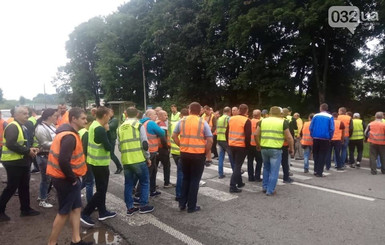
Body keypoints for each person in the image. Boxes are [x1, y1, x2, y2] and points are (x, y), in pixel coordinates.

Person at [46, 107, 92, 245]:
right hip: (66, 179)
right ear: (73, 119)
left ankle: (76, 240)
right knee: (64, 212)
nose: (86, 120)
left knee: (76, 208)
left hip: (67, 178)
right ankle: (52, 243)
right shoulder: (69, 136)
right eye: (83, 118)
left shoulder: (68, 133)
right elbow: (63, 161)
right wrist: (72, 179)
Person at [0, 106, 40, 222]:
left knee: (24, 186)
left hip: (21, 161)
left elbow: (22, 143)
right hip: (13, 162)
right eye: (23, 113)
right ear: (16, 115)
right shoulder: (13, 126)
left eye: (27, 113)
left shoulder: (22, 126)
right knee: (11, 187)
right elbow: (11, 143)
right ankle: (0, 210)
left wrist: (31, 149)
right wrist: (27, 151)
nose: (27, 115)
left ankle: (25, 209)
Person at [172, 102, 213, 213]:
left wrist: (181, 145)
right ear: (200, 111)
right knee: (195, 180)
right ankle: (191, 206)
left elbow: (174, 135)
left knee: (185, 178)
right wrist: (205, 152)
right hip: (198, 155)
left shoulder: (182, 121)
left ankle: (182, 204)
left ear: (189, 110)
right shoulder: (202, 122)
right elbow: (210, 140)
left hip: (184, 154)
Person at [81, 106, 116, 227]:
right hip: (99, 164)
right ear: (105, 115)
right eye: (109, 116)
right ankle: (85, 213)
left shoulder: (93, 125)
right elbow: (109, 147)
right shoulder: (100, 129)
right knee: (101, 190)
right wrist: (107, 131)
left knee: (102, 189)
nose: (110, 118)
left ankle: (103, 212)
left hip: (95, 162)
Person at [118, 107, 154, 215]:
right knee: (144, 182)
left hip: (126, 160)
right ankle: (143, 205)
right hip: (138, 159)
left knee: (128, 184)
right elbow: (144, 143)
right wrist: (147, 157)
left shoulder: (120, 127)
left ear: (126, 114)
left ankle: (130, 208)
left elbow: (119, 146)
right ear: (137, 114)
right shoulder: (138, 125)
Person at [255, 106, 294, 196]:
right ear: (280, 114)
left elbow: (256, 134)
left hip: (264, 148)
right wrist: (291, 148)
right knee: (274, 170)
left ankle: (265, 187)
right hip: (276, 149)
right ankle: (270, 190)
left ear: (270, 113)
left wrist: (258, 145)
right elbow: (289, 137)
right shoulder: (283, 122)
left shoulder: (262, 121)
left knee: (266, 168)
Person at [34, 108, 59, 208]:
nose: (56, 118)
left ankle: (42, 196)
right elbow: (44, 143)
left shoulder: (50, 125)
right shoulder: (40, 128)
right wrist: (60, 141)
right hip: (44, 156)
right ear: (49, 117)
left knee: (48, 179)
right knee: (46, 179)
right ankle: (42, 200)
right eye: (55, 116)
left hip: (50, 156)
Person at [140, 109, 167, 197]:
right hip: (151, 151)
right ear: (150, 116)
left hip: (148, 151)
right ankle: (140, 193)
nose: (156, 116)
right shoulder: (151, 123)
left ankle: (152, 190)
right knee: (148, 173)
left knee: (153, 171)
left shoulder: (142, 123)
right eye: (155, 114)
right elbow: (162, 133)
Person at [227, 104, 251, 193]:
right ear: (246, 110)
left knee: (236, 165)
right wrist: (247, 147)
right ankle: (232, 186)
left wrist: (229, 143)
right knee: (238, 166)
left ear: (239, 110)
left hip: (232, 145)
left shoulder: (231, 119)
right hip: (241, 146)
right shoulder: (246, 121)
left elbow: (227, 132)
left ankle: (239, 182)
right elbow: (248, 136)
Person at [310, 103, 334, 177]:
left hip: (316, 137)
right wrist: (330, 137)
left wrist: (312, 135)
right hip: (325, 138)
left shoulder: (315, 116)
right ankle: (319, 172)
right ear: (327, 109)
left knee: (316, 154)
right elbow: (332, 129)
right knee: (322, 155)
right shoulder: (330, 117)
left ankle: (315, 170)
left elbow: (311, 127)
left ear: (321, 108)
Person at [169, 108, 188, 201]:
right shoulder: (184, 124)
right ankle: (180, 194)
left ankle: (179, 193)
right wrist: (181, 146)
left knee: (180, 172)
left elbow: (171, 135)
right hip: (181, 151)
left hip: (174, 151)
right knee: (183, 173)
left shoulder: (174, 124)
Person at [216, 107, 235, 178]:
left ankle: (220, 173)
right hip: (226, 139)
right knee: (231, 156)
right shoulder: (228, 118)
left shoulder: (219, 119)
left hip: (219, 139)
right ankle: (235, 171)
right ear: (229, 112)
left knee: (221, 156)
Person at [156, 110, 173, 188]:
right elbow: (163, 138)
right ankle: (167, 183)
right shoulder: (162, 124)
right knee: (166, 166)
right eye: (165, 115)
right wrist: (167, 147)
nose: (167, 117)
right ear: (160, 116)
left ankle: (152, 184)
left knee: (154, 168)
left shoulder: (155, 123)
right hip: (163, 149)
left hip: (156, 148)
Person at [247, 109, 263, 182]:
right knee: (259, 161)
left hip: (249, 144)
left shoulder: (249, 121)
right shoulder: (260, 122)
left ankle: (250, 177)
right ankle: (257, 176)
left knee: (250, 161)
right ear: (259, 115)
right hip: (257, 144)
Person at [107, 109, 123, 174]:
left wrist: (104, 124)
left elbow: (111, 127)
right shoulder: (109, 120)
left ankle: (119, 167)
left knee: (111, 154)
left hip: (111, 139)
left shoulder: (114, 120)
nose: (108, 114)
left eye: (109, 112)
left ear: (112, 113)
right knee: (110, 154)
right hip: (108, 138)